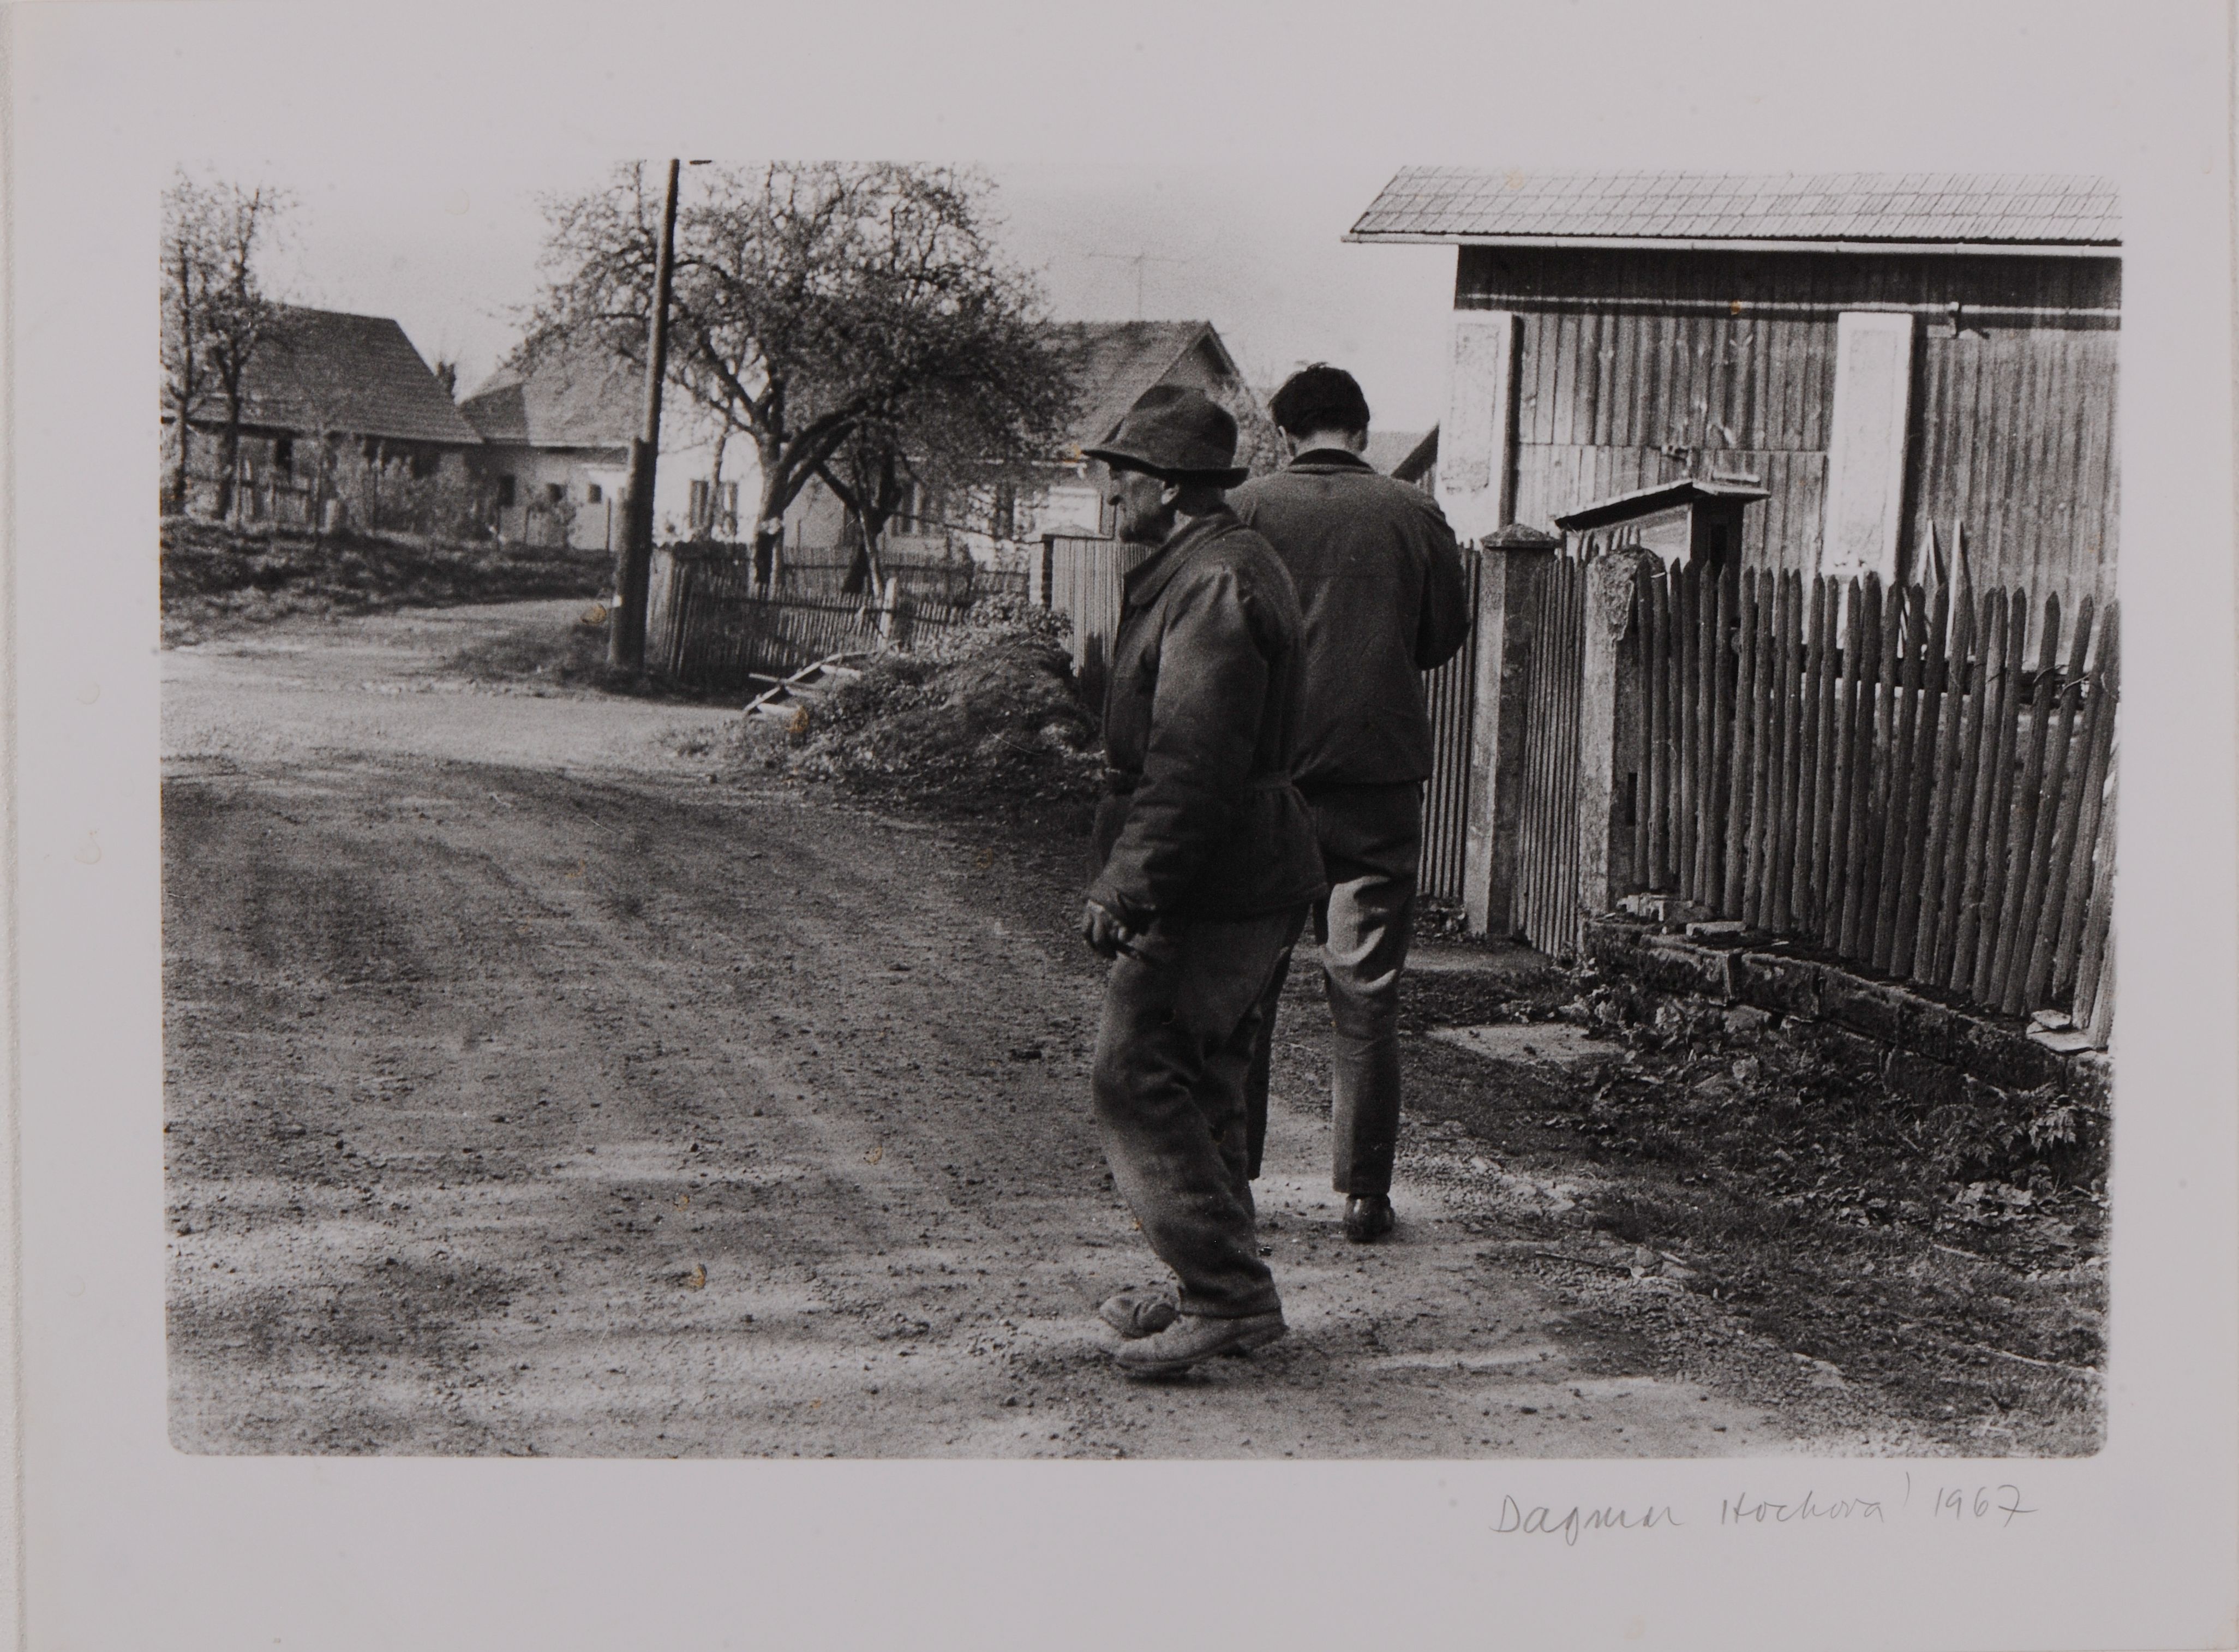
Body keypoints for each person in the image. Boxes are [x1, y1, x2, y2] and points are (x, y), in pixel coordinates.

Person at [1076, 384, 1325, 1376]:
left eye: (1124, 478)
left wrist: (1127, 885)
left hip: (1217, 876)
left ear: (1172, 487)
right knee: (1205, 1085)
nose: (1111, 496)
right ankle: (1217, 1289)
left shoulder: (1216, 581)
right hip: (1243, 866)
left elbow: (1192, 761)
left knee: (1136, 1075)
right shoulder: (1208, 567)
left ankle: (1227, 1295)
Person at [1230, 364, 1471, 1243]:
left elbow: (1220, 641)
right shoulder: (1415, 512)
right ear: (1362, 432)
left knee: (1245, 987)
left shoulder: (1245, 511)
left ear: (1285, 432)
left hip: (1266, 785)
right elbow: (1442, 638)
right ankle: (1366, 1193)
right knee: (1366, 988)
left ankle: (1234, 1182)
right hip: (1377, 782)